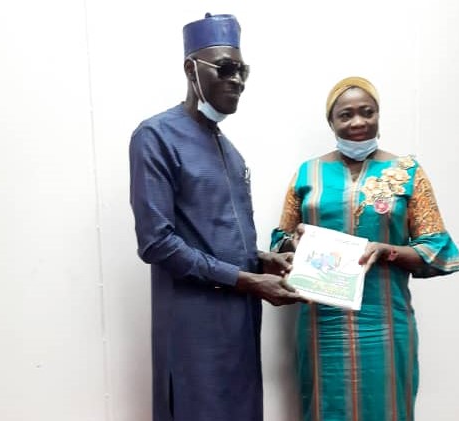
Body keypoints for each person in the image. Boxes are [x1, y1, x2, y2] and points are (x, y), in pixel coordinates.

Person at [129, 13, 302, 421]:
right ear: (191, 69)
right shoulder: (156, 137)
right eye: (225, 68)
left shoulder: (231, 150)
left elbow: (220, 235)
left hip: (241, 322)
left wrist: (262, 260)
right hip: (194, 326)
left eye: (242, 70)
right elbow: (156, 243)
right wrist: (245, 279)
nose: (237, 80)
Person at [271, 76, 459, 421]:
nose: (358, 122)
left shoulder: (407, 172)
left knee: (386, 408)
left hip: (384, 323)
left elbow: (436, 247)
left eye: (368, 112)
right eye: (346, 115)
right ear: (330, 122)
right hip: (321, 324)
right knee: (323, 409)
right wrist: (294, 243)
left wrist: (387, 250)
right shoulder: (308, 174)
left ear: (379, 115)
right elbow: (280, 243)